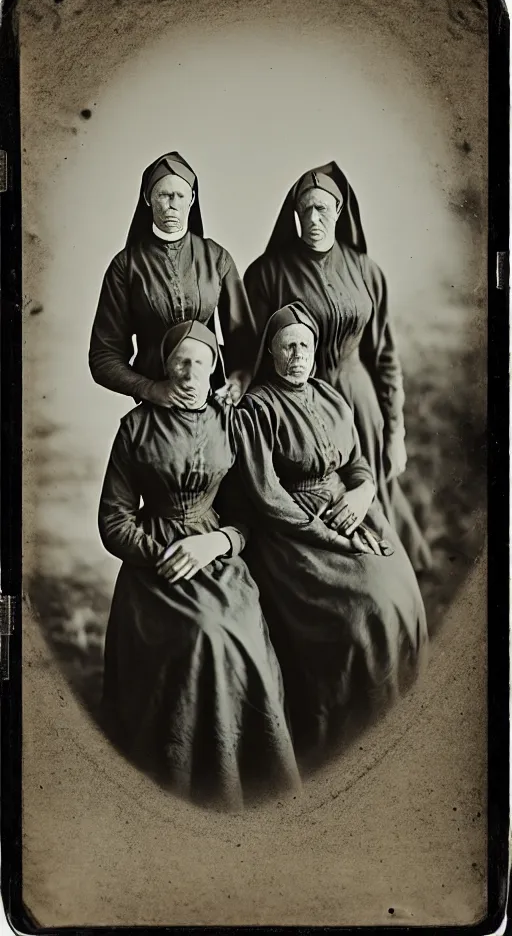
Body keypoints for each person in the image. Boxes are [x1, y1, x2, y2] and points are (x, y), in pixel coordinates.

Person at [98, 319, 300, 810]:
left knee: (242, 630)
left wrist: (216, 545)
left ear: (214, 367)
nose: (190, 373)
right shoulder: (136, 427)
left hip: (216, 555)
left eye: (200, 361)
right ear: (165, 366)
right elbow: (113, 520)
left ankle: (251, 781)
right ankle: (181, 784)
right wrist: (161, 554)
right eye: (180, 362)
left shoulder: (229, 422)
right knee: (201, 635)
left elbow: (246, 516)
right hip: (157, 569)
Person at [234, 302, 428, 769]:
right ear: (272, 354)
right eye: (287, 347)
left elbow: (357, 462)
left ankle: (399, 724)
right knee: (364, 609)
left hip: (351, 508)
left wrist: (362, 493)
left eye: (304, 345)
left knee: (403, 593)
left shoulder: (330, 396)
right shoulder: (256, 410)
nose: (298, 354)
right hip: (295, 534)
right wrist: (333, 537)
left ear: (316, 349)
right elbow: (266, 498)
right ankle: (347, 737)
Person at [243, 162, 432, 572]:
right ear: (294, 214)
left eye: (323, 209)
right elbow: (251, 358)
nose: (314, 219)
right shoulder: (266, 274)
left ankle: (385, 575)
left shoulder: (366, 271)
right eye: (305, 210)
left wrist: (396, 430)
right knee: (310, 513)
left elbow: (384, 356)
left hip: (358, 404)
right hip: (292, 410)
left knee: (370, 493)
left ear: (340, 212)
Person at [89, 151, 256, 407]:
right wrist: (150, 388)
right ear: (147, 198)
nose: (172, 204)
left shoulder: (217, 258)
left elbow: (245, 343)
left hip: (211, 402)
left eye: (179, 196)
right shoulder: (126, 266)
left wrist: (238, 380)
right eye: (163, 195)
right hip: (156, 407)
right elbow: (103, 357)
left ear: (192, 198)